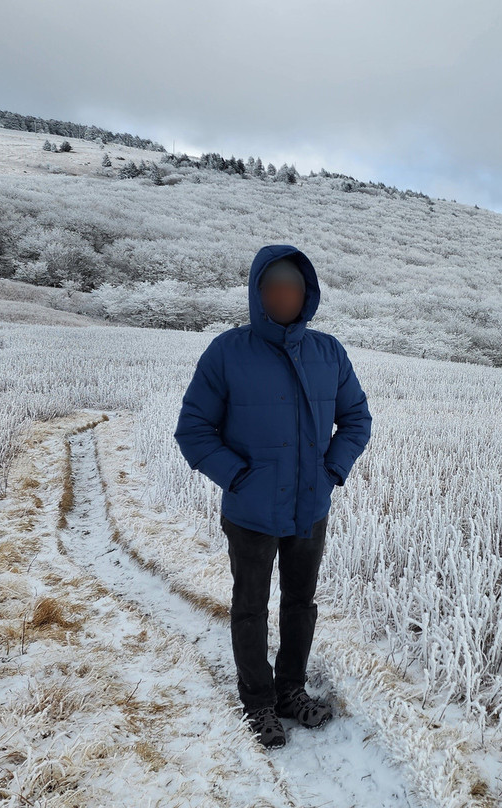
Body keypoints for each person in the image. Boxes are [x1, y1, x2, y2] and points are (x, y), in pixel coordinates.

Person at [173, 244, 372, 748]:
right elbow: (193, 429)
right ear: (257, 293)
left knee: (300, 604)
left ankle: (290, 691)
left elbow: (356, 420)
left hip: (310, 506)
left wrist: (332, 470)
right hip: (251, 509)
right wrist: (238, 477)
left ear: (307, 294)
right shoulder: (227, 351)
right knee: (250, 606)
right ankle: (258, 702)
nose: (285, 295)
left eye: (294, 287)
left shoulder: (329, 352)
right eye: (275, 286)